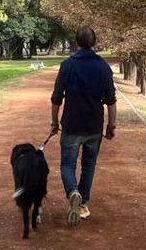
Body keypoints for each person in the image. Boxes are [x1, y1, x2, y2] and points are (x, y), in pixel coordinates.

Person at [50, 26, 117, 227]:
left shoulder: (67, 65)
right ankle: (83, 202)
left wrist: (54, 122)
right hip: (94, 126)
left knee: (67, 164)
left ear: (77, 42)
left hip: (71, 124)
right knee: (89, 165)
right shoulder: (103, 67)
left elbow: (56, 99)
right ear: (94, 43)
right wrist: (111, 126)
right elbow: (111, 101)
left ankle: (73, 192)